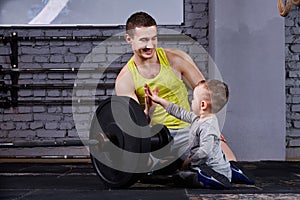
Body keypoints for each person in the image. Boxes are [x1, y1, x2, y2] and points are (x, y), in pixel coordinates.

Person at [115, 12, 250, 182]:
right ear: (129, 39)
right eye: (143, 40)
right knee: (143, 170)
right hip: (158, 137)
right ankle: (186, 172)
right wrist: (147, 112)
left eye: (153, 39)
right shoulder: (125, 79)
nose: (150, 45)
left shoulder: (177, 59)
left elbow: (206, 94)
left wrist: (210, 124)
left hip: (189, 129)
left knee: (230, 163)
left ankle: (212, 169)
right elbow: (136, 129)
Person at [144, 79, 232, 188]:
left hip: (211, 169)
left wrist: (189, 160)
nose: (192, 101)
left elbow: (205, 151)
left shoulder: (208, 126)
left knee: (181, 177)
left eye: (194, 99)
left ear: (203, 105)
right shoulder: (198, 118)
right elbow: (179, 112)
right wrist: (158, 100)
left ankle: (216, 177)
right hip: (204, 163)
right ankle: (227, 170)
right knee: (176, 163)